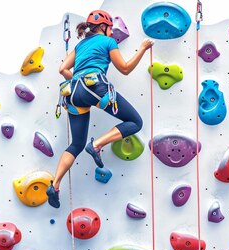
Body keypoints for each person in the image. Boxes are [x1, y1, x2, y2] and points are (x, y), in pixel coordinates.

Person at [46, 10, 154, 208]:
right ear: (103, 27)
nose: (112, 32)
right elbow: (125, 68)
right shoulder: (108, 42)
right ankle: (97, 145)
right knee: (135, 122)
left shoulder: (80, 46)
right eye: (110, 28)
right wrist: (143, 48)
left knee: (76, 144)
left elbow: (62, 69)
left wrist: (78, 79)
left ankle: (55, 184)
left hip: (72, 92)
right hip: (94, 87)